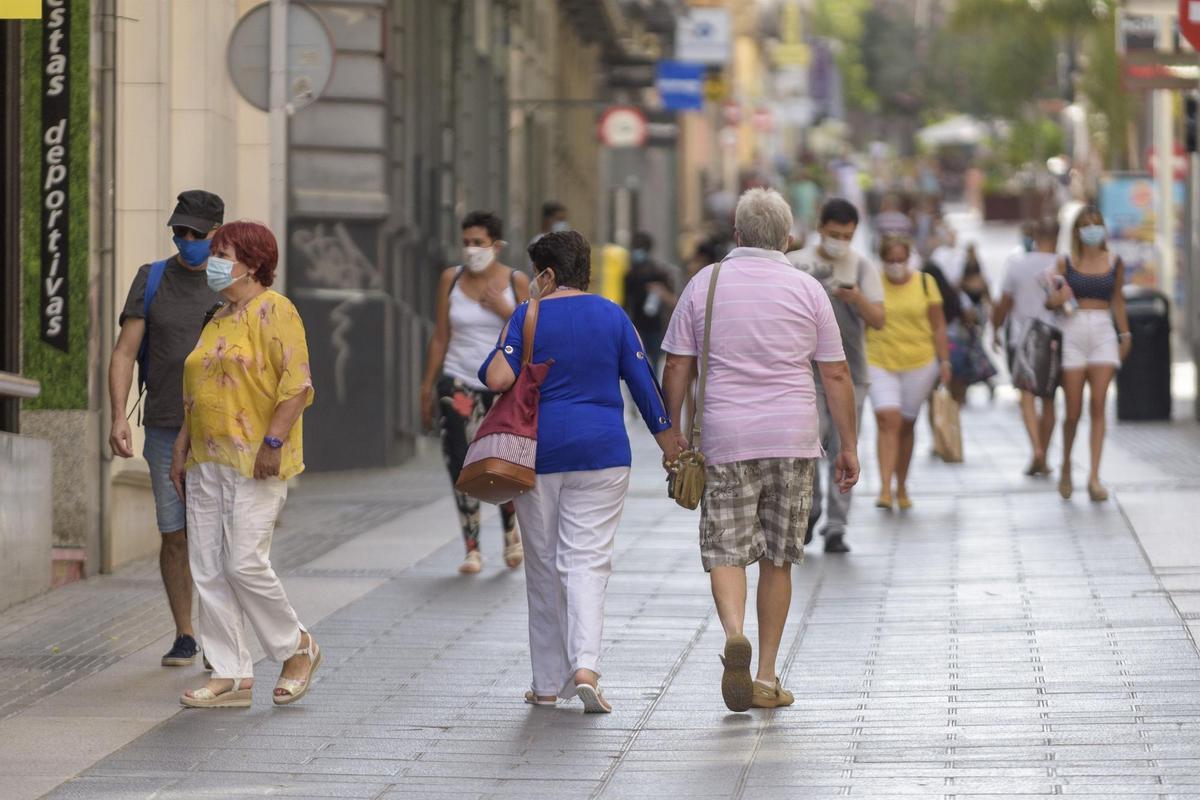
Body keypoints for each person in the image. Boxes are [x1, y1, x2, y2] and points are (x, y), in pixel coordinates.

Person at [661, 189, 860, 712]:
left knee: (726, 546)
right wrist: (850, 447)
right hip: (793, 436)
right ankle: (767, 676)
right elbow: (835, 373)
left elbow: (677, 365)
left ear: (737, 233)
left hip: (726, 438)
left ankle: (733, 634)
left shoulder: (706, 283)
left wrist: (672, 433)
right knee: (778, 556)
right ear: (789, 238)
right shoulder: (808, 289)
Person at [481, 231, 681, 714]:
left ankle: (548, 683)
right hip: (604, 455)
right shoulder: (613, 315)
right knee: (587, 562)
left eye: (535, 273)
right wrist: (671, 446)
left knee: (545, 564)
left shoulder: (527, 315)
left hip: (538, 454)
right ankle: (586, 667)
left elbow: (496, 378)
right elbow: (643, 384)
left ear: (547, 275)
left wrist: (517, 325)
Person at [170, 220, 319, 709]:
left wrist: (273, 440)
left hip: (255, 456)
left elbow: (295, 384)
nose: (214, 262)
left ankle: (296, 647)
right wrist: (181, 448)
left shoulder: (276, 310)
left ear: (252, 263)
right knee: (207, 567)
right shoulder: (217, 316)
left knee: (243, 563)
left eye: (223, 253)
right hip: (205, 457)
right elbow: (197, 391)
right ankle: (231, 673)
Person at [108, 189, 223, 669]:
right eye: (180, 232)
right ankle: (185, 632)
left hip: (220, 430)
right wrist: (117, 416)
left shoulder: (232, 282)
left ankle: (222, 638)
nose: (187, 240)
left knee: (216, 536)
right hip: (162, 426)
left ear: (218, 233)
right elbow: (124, 352)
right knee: (174, 532)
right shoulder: (152, 278)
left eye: (197, 233)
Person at [420, 211, 530, 574]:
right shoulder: (450, 280)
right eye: (466, 242)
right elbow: (441, 335)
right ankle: (472, 547)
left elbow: (531, 335)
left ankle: (511, 535)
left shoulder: (516, 282)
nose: (471, 250)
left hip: (502, 384)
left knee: (502, 461)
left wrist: (504, 310)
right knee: (459, 460)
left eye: (479, 243)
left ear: (496, 246)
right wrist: (427, 385)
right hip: (457, 380)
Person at [787, 198, 885, 554]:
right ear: (819, 227)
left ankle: (836, 525)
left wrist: (856, 299)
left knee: (845, 447)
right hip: (805, 372)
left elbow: (879, 320)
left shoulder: (861, 266)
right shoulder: (795, 263)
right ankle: (809, 510)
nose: (839, 241)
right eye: (833, 234)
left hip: (851, 372)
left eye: (846, 235)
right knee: (808, 445)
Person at [1045, 207, 1132, 501]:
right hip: (1073, 329)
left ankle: (1094, 476)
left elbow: (1118, 299)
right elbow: (1052, 299)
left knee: (1098, 404)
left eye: (1096, 224)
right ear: (1076, 231)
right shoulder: (1065, 261)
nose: (1091, 229)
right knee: (1072, 410)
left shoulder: (1115, 261)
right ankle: (1067, 463)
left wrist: (1125, 333)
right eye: (1085, 224)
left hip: (1103, 331)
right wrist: (1055, 299)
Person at [867, 237, 951, 510]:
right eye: (890, 260)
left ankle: (901, 485)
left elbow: (938, 326)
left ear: (909, 258)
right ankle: (884, 488)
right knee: (887, 419)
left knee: (905, 425)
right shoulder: (873, 283)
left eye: (900, 259)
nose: (896, 265)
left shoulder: (926, 283)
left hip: (920, 363)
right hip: (879, 359)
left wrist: (945, 362)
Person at [992, 217, 1059, 477]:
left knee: (1027, 396)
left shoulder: (1017, 264)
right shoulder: (1063, 263)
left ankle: (1037, 450)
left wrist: (995, 329)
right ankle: (1044, 451)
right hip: (1055, 338)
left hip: (1020, 339)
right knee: (1050, 399)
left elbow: (1003, 303)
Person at [623, 231, 679, 369]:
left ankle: (651, 390)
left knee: (653, 365)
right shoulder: (630, 275)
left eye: (638, 248)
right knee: (637, 364)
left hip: (656, 326)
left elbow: (674, 301)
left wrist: (660, 291)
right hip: (637, 326)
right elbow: (626, 301)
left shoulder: (659, 272)